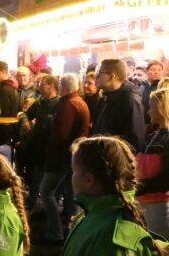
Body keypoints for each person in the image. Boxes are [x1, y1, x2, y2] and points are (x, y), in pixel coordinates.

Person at [39, 73, 90, 244]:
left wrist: (50, 148)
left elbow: (61, 135)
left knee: (46, 191)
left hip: (61, 157)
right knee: (70, 193)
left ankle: (55, 232)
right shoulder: (80, 103)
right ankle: (72, 229)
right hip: (73, 156)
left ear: (63, 87)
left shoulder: (68, 105)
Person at [138, 87, 169, 256]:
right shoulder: (154, 134)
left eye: (151, 106)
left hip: (160, 201)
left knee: (158, 254)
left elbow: (166, 177)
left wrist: (142, 187)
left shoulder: (165, 138)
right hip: (149, 200)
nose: (148, 111)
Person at [20, 74, 60, 210]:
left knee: (46, 181)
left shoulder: (59, 104)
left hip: (51, 146)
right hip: (36, 145)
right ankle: (32, 201)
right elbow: (24, 113)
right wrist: (25, 121)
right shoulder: (38, 103)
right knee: (34, 175)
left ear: (51, 86)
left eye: (42, 84)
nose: (39, 86)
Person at [91, 59, 145, 150]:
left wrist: (113, 156)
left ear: (112, 76)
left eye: (99, 73)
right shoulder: (105, 96)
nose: (96, 77)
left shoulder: (129, 99)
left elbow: (134, 140)